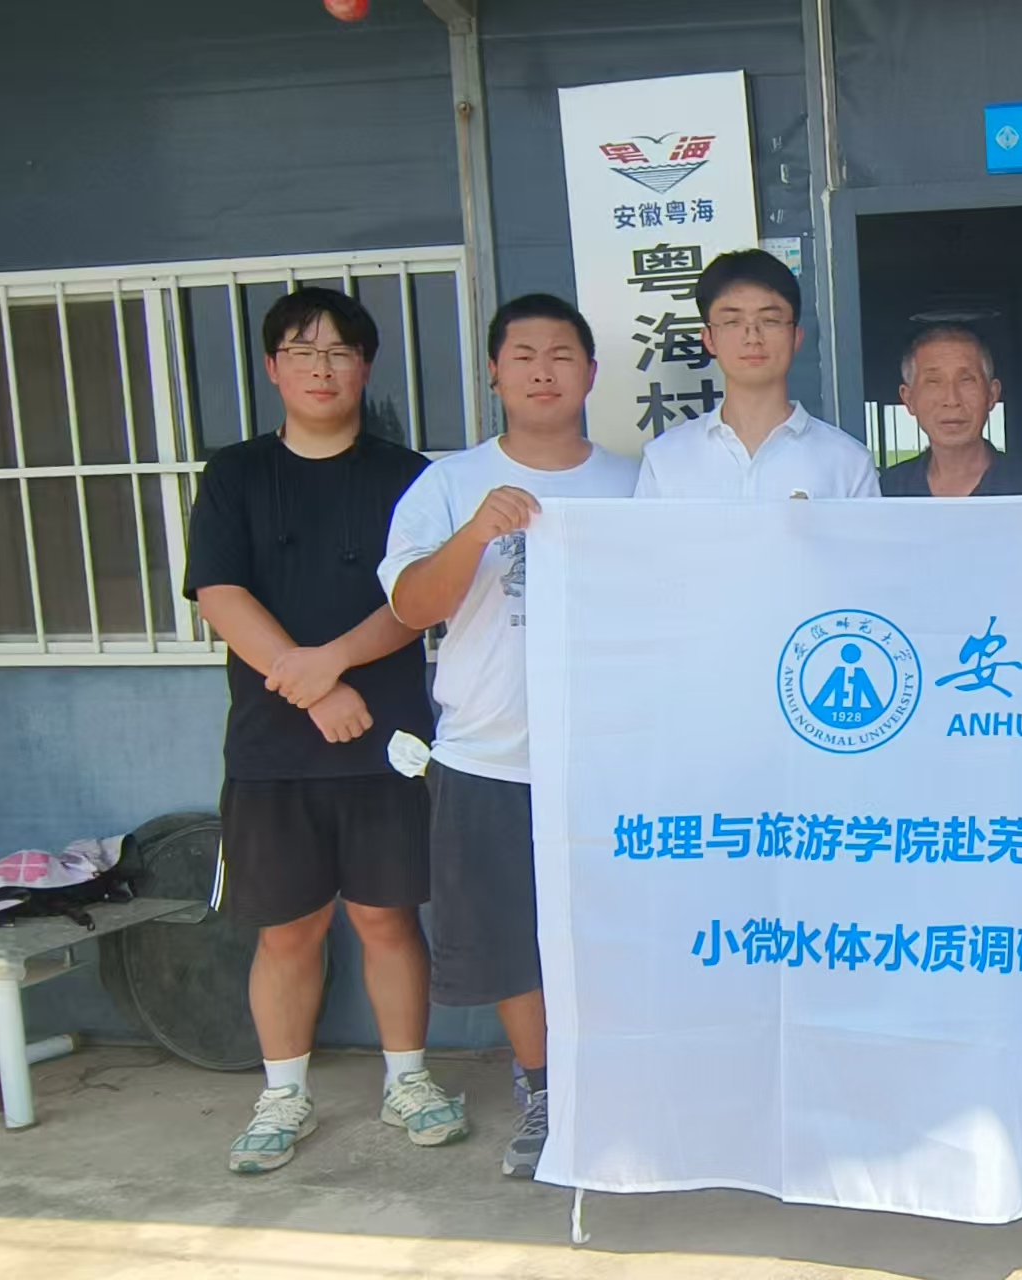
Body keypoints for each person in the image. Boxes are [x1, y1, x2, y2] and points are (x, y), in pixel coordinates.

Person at [182, 286, 464, 1174]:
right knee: (288, 929)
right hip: (272, 748)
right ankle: (283, 1095)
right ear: (273, 369)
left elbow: (418, 601)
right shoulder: (235, 474)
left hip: (387, 742)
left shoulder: (410, 476)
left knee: (388, 918)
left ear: (364, 367)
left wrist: (332, 666)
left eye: (339, 351)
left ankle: (408, 1080)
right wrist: (311, 692)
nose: (321, 368)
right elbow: (219, 593)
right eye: (302, 352)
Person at [377, 294, 639, 1180]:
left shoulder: (634, 484)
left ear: (590, 374)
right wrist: (477, 532)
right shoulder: (448, 485)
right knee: (509, 941)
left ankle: (619, 1089)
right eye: (522, 355)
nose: (542, 371)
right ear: (494, 373)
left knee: (612, 932)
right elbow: (412, 607)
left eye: (561, 355)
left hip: (609, 758)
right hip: (487, 755)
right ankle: (545, 1092)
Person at [633, 249, 877, 500]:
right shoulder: (664, 459)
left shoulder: (848, 463)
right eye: (732, 322)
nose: (752, 337)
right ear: (709, 339)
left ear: (796, 337)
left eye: (770, 320)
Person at [879, 323, 1022, 506]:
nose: (952, 400)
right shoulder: (887, 492)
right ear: (909, 399)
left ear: (992, 395)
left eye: (966, 380)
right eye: (933, 382)